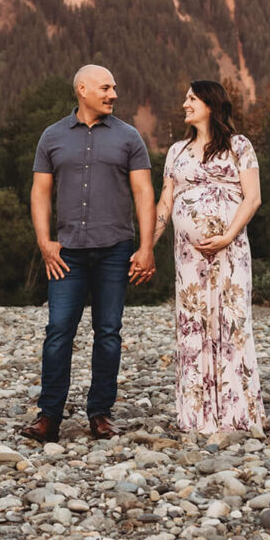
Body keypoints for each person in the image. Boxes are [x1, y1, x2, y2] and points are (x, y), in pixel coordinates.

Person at [19, 64, 157, 442]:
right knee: (58, 332)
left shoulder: (129, 137)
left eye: (114, 88)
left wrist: (146, 247)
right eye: (106, 88)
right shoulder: (52, 136)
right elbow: (40, 192)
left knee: (108, 332)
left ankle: (100, 414)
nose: (114, 95)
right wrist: (44, 242)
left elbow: (144, 193)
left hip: (115, 250)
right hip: (67, 255)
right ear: (83, 89)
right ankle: (49, 417)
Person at [154, 78, 266, 437]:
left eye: (192, 98)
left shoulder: (238, 146)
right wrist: (146, 246)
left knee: (231, 323)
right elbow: (165, 202)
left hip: (230, 252)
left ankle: (237, 415)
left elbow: (253, 198)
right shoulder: (176, 151)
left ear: (210, 104)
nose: (185, 104)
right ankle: (197, 415)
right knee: (193, 325)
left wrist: (227, 236)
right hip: (189, 257)